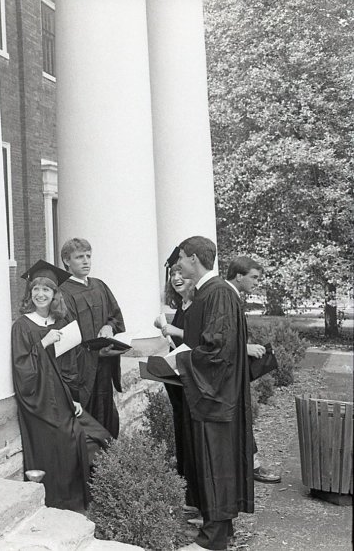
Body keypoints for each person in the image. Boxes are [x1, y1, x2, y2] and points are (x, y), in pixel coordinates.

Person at [173, 236, 254, 551]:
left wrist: (180, 360)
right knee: (212, 462)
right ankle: (219, 526)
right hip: (210, 393)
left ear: (193, 258)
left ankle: (214, 539)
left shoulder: (217, 293)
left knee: (216, 462)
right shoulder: (208, 292)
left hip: (216, 396)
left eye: (180, 257)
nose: (177, 264)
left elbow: (216, 349)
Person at [11, 259, 110, 512]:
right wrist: (43, 344)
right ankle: (59, 502)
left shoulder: (60, 325)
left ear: (55, 294)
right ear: (29, 293)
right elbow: (23, 370)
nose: (40, 294)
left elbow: (69, 369)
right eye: (36, 289)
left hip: (62, 400)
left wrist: (72, 398)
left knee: (99, 436)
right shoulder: (22, 326)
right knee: (68, 440)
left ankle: (81, 499)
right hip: (38, 402)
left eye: (46, 289)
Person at [59, 238, 125, 439]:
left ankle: (109, 465)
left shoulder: (99, 286)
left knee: (107, 415)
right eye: (80, 257)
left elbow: (115, 317)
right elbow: (65, 338)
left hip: (104, 367)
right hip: (82, 371)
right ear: (66, 260)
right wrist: (94, 351)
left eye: (88, 256)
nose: (86, 261)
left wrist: (109, 327)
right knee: (87, 422)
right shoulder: (63, 293)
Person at [225, 256, 281, 484]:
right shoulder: (224, 295)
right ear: (239, 275)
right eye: (254, 277)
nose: (257, 282)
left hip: (233, 372)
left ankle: (251, 464)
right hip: (225, 375)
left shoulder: (231, 295)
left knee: (241, 419)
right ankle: (251, 466)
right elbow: (217, 337)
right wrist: (244, 348)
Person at [153, 247, 200, 513]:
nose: (176, 277)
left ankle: (194, 496)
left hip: (191, 377)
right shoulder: (182, 305)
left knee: (192, 433)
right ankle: (186, 488)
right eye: (172, 273)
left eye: (181, 272)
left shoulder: (200, 303)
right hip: (176, 376)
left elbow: (199, 337)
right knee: (181, 429)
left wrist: (175, 330)